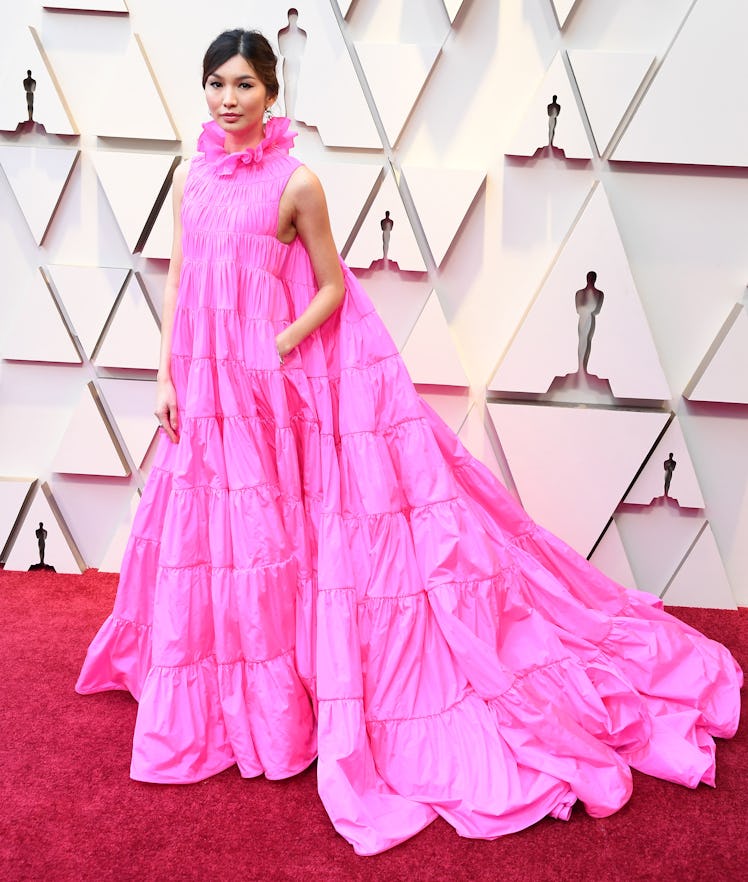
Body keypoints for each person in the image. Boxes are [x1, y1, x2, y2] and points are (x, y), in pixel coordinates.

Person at [76, 29, 742, 857]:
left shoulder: (298, 184)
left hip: (268, 384)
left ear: (271, 92)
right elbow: (178, 277)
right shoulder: (192, 175)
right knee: (221, 534)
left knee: (283, 534)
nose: (227, 99)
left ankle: (293, 694)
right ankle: (231, 690)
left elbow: (327, 289)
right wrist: (168, 374)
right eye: (215, 83)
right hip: (204, 383)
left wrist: (278, 346)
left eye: (243, 84)